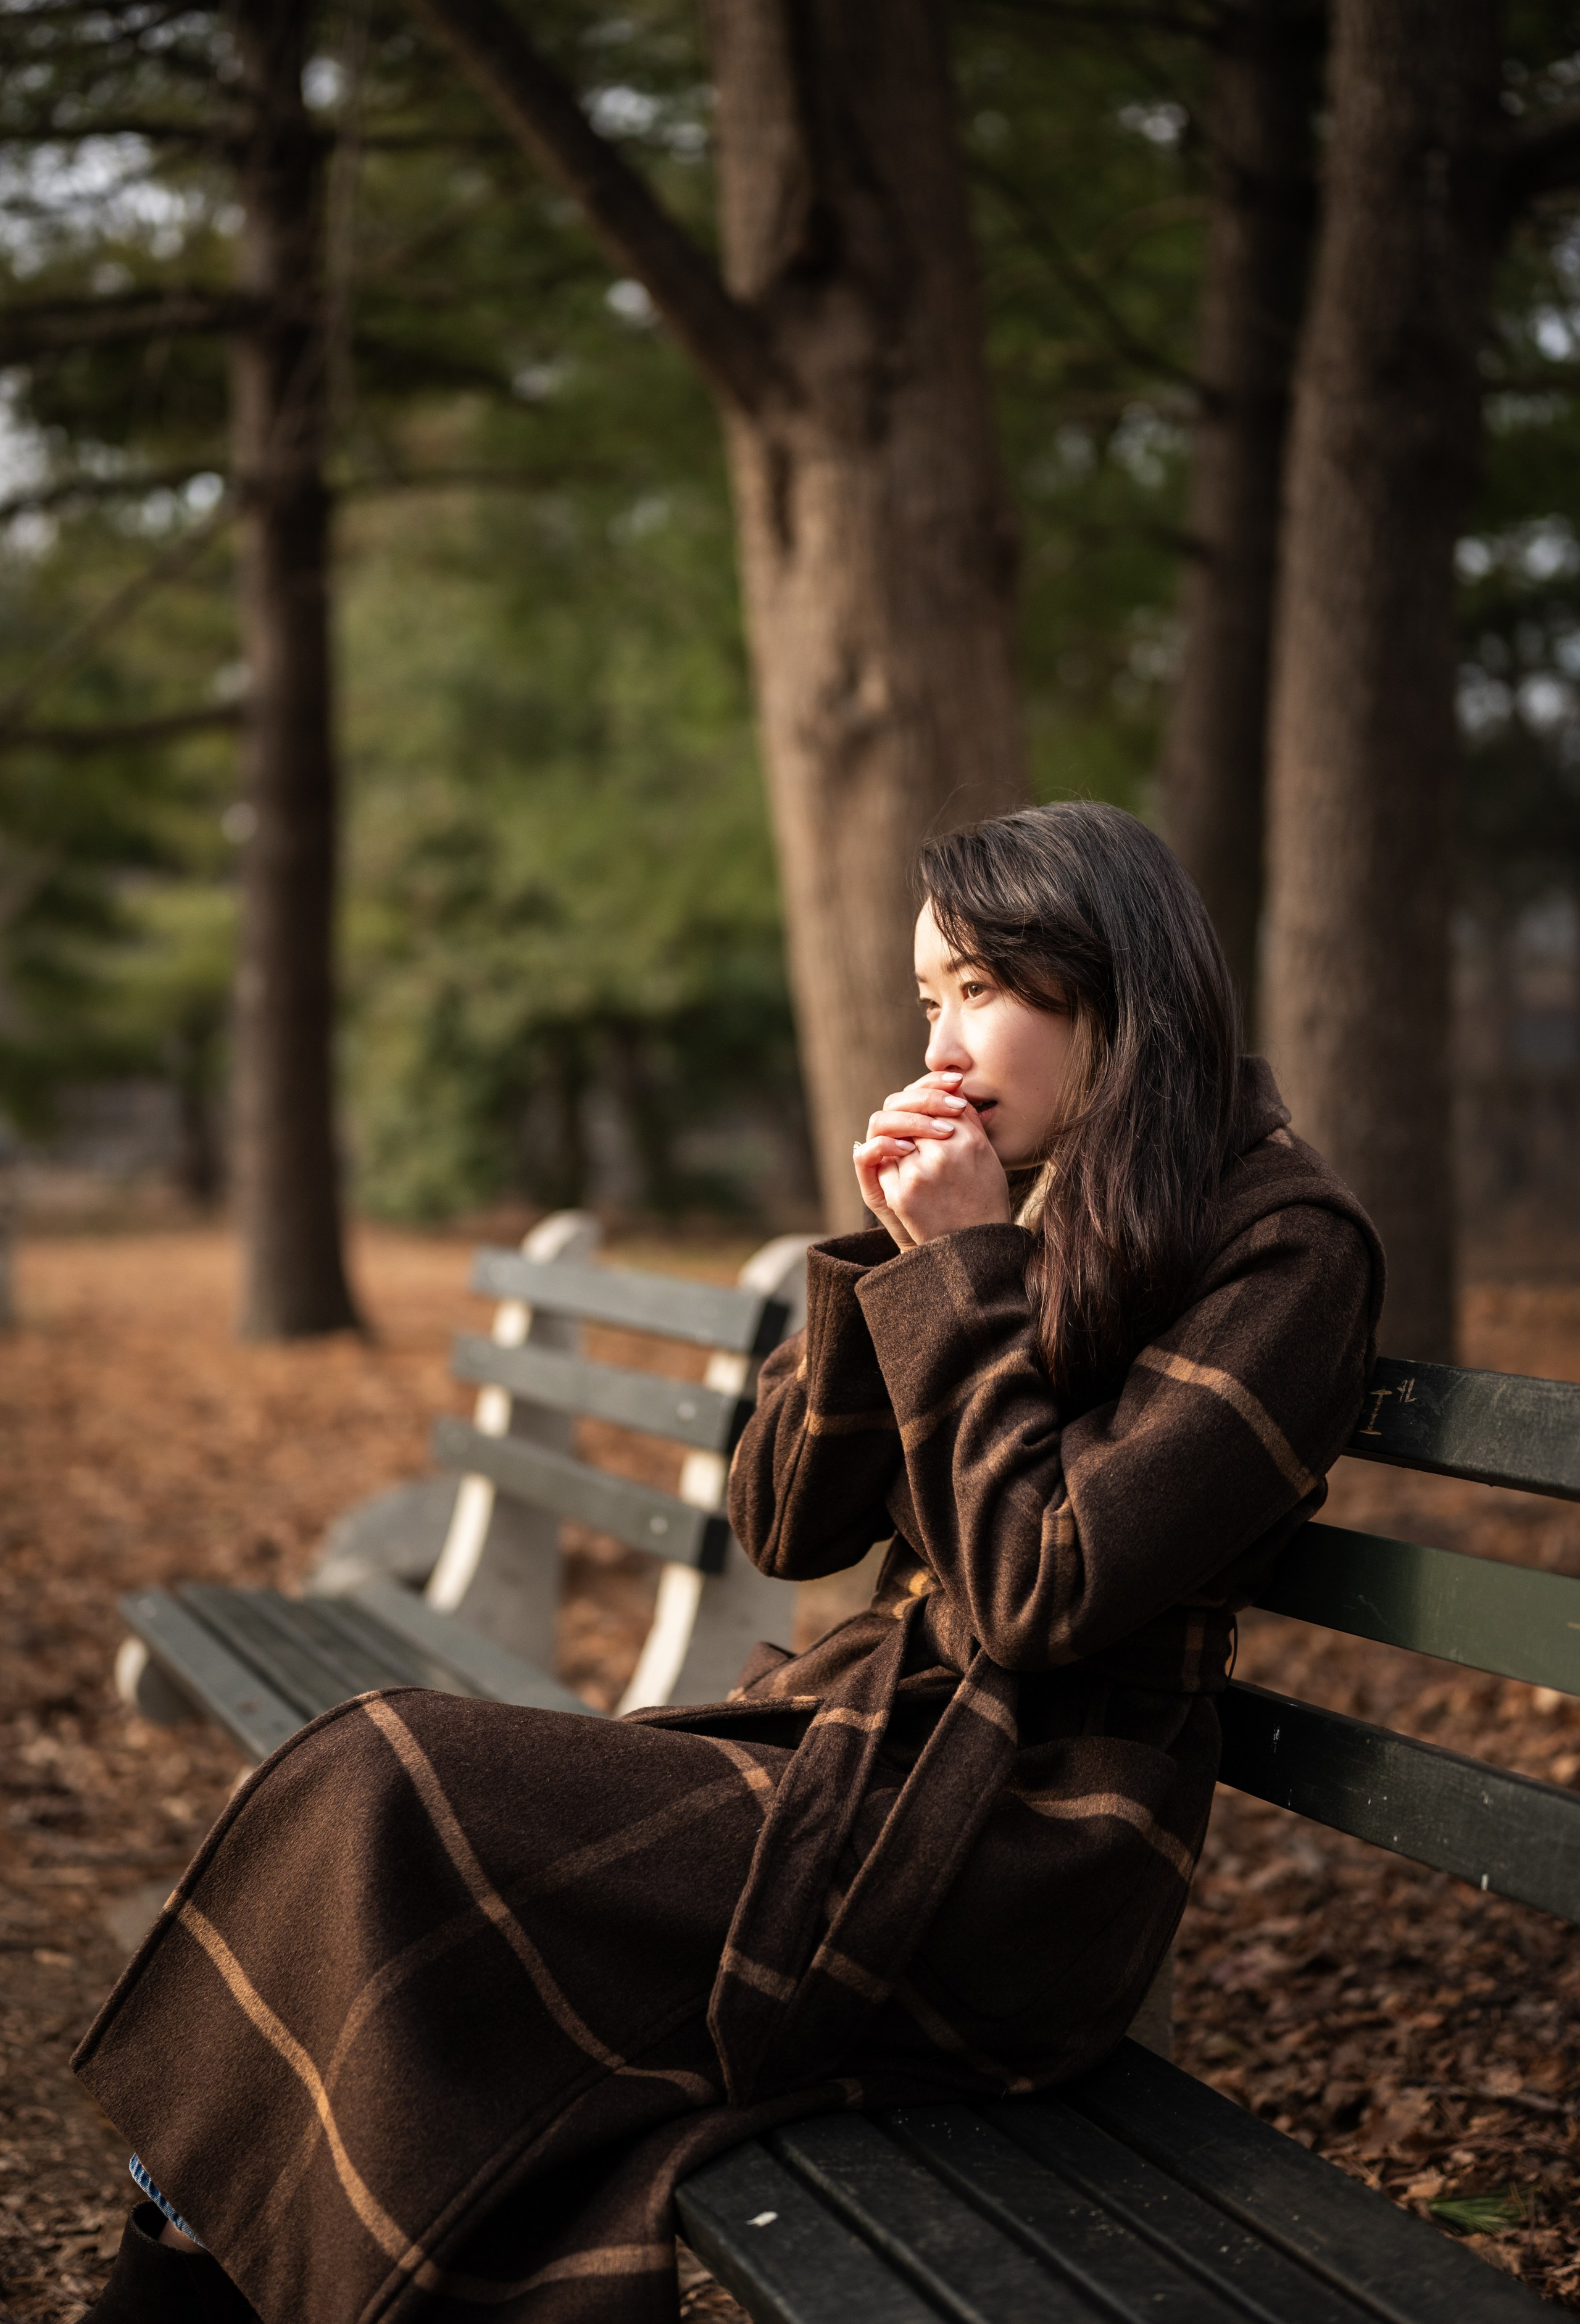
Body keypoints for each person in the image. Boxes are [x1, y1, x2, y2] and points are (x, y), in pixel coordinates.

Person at [76, 802, 1382, 2324]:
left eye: (979, 989)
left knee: (381, 1782)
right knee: (372, 1827)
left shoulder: (1283, 1249)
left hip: (1023, 1854)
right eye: (926, 999)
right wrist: (902, 1263)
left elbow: (1044, 1592)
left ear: (1116, 991)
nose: (940, 1044)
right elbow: (783, 1520)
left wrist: (962, 1272)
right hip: (865, 1768)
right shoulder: (1050, 1193)